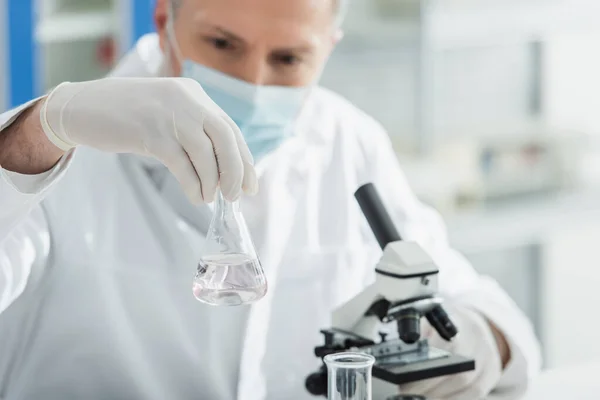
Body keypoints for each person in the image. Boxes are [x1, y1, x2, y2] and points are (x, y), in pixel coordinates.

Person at [0, 0, 541, 399]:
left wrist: (483, 342)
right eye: (222, 44)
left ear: (328, 48)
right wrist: (43, 130)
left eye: (288, 59)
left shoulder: (348, 142)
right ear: (164, 21)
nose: (253, 84)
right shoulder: (61, 144)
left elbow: (479, 307)